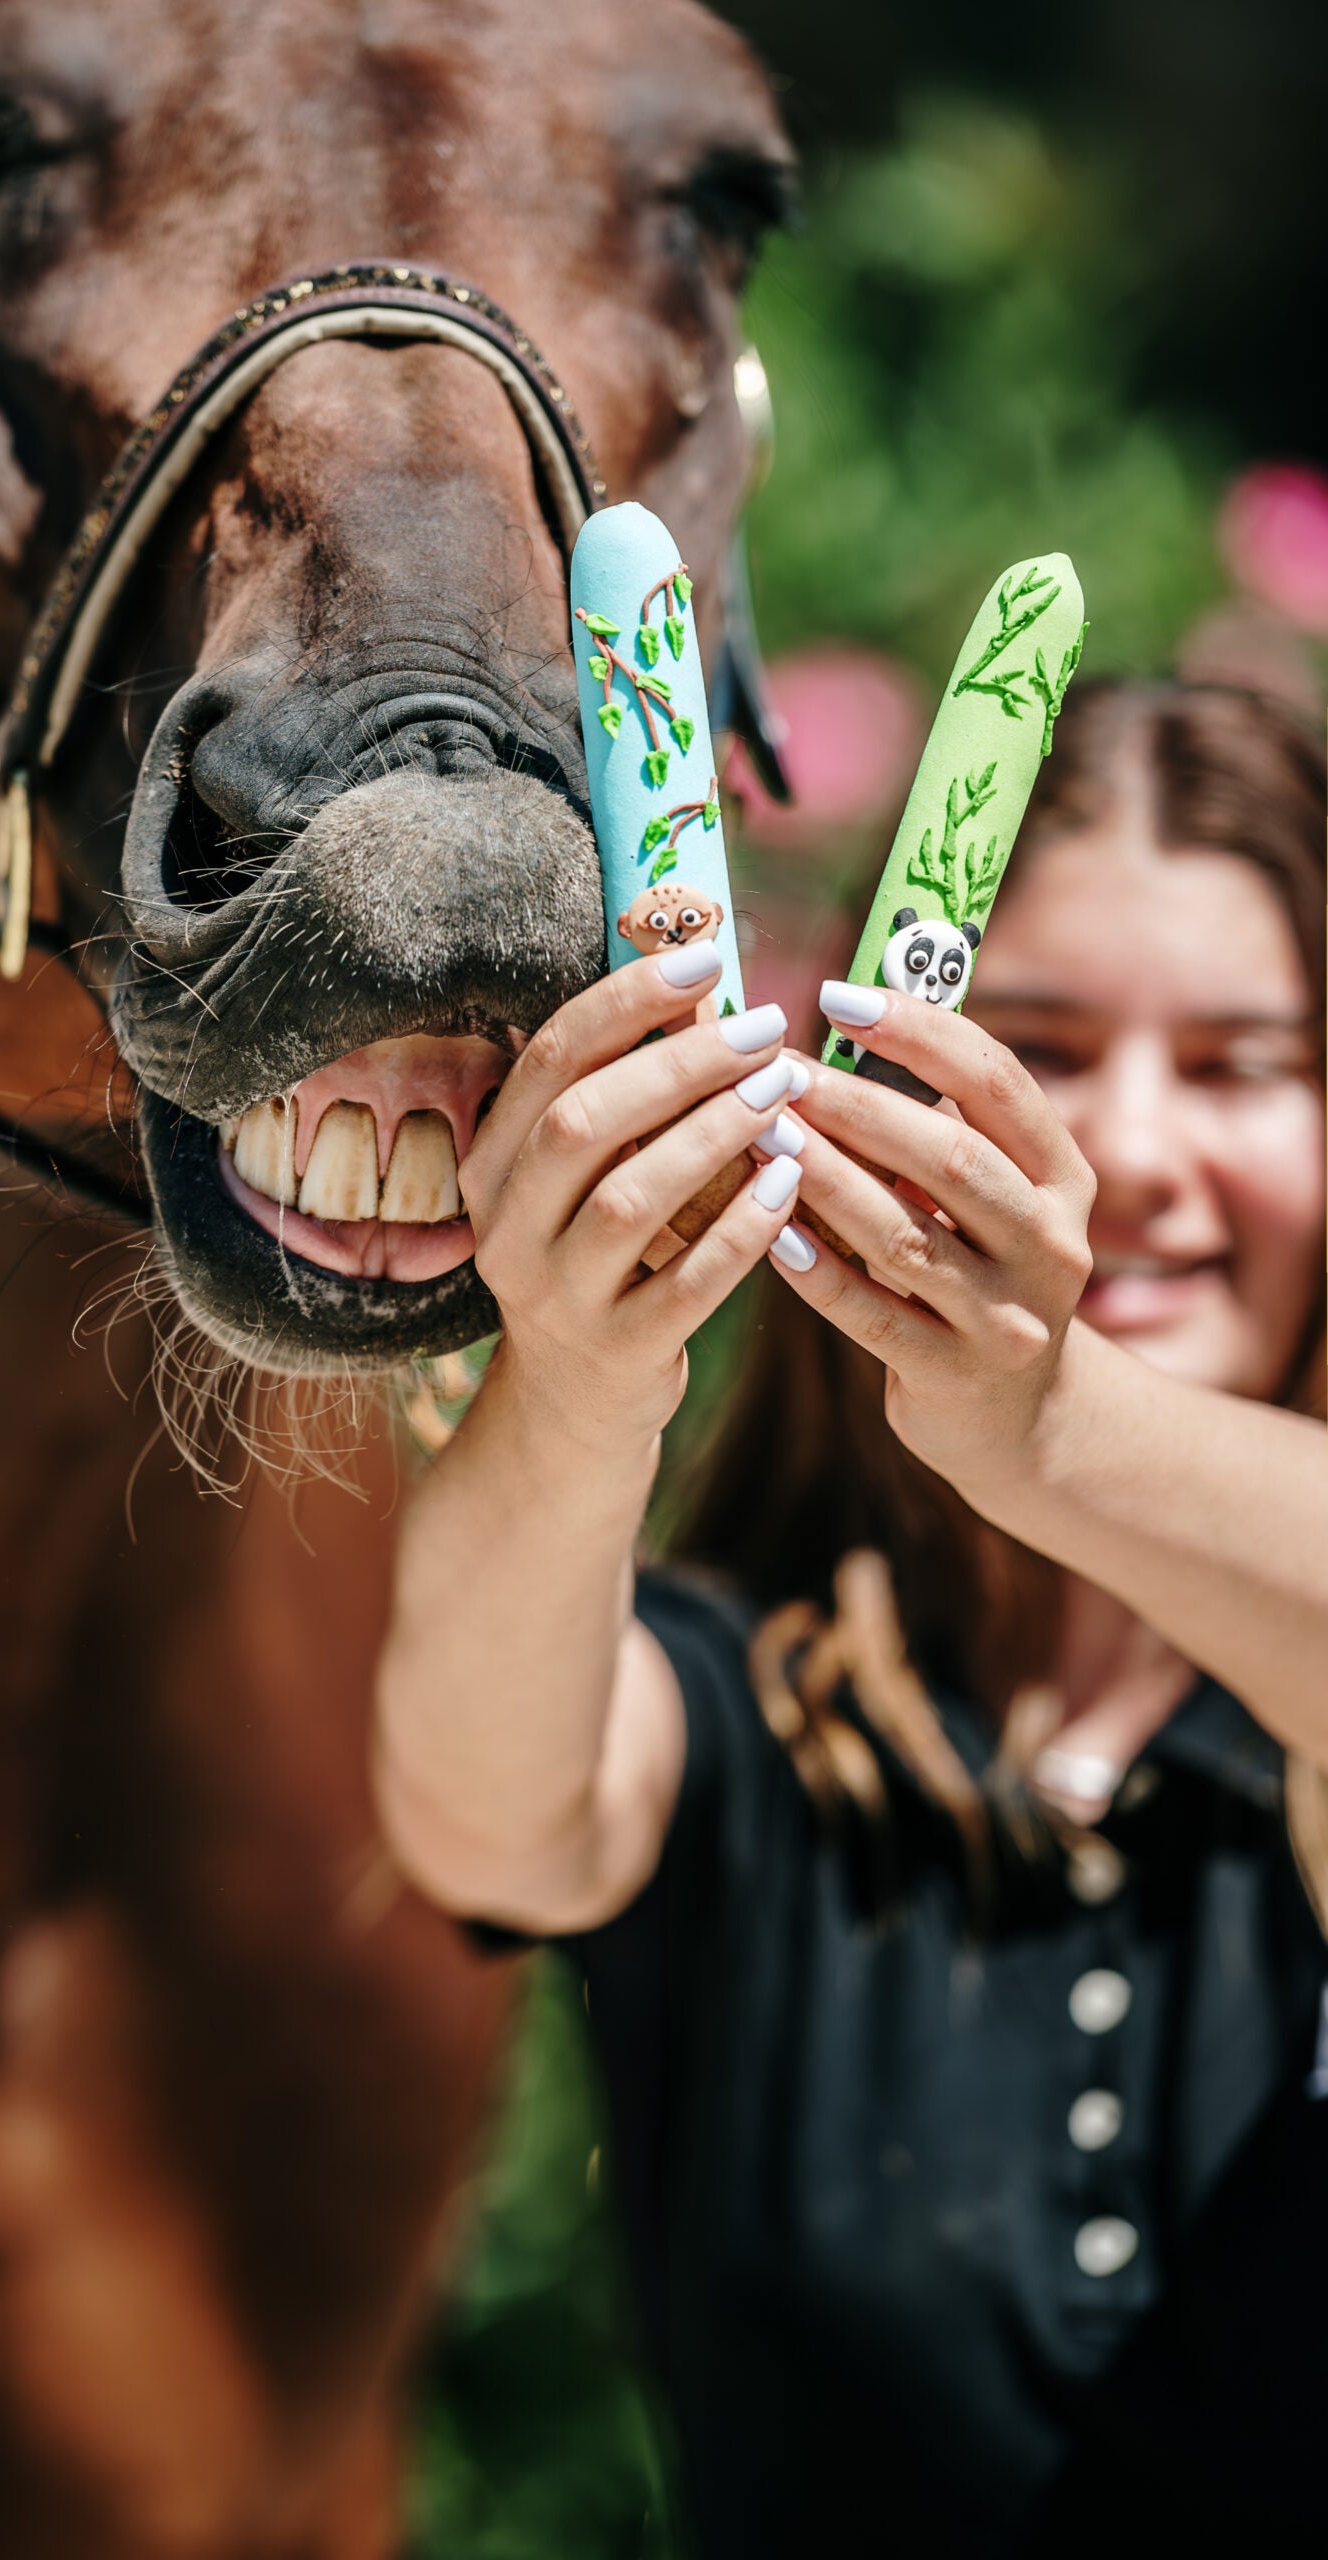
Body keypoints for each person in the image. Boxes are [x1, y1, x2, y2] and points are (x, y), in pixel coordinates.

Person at [374, 682, 1328, 2553]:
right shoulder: (748, 1708)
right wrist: (573, 1377)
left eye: (1237, 1067)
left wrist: (1051, 1429)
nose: (1130, 1151)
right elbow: (483, 1809)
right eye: (1040, 1042)